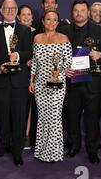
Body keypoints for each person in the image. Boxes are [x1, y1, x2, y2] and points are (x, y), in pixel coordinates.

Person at [59, 0, 101, 164]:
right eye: (76, 11)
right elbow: (55, 55)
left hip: (93, 83)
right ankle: (74, 146)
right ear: (72, 13)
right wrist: (63, 68)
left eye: (82, 10)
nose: (79, 13)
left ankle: (92, 150)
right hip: (71, 82)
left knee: (92, 119)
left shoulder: (100, 31)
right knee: (72, 118)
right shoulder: (63, 31)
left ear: (88, 12)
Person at [0, 0, 33, 166]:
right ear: (1, 10)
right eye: (6, 8)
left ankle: (17, 150)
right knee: (3, 115)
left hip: (20, 82)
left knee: (20, 117)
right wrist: (0, 67)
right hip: (1, 81)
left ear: (16, 11)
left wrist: (18, 56)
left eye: (13, 8)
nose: (9, 10)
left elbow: (29, 52)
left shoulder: (25, 30)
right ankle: (4, 145)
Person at [29, 10, 72, 163]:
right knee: (43, 117)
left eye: (54, 20)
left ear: (58, 22)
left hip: (57, 84)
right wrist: (31, 81)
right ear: (43, 21)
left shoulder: (63, 38)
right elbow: (34, 62)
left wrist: (59, 70)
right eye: (48, 19)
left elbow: (68, 61)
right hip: (40, 84)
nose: (51, 22)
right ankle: (41, 151)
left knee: (54, 117)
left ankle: (54, 153)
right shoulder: (37, 38)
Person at [17, 4, 38, 150]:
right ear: (18, 17)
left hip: (38, 75)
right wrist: (25, 61)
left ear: (32, 17)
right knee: (22, 107)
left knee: (34, 108)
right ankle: (22, 135)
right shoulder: (15, 33)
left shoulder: (39, 34)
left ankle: (32, 136)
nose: (26, 17)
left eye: (28, 14)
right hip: (20, 74)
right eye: (23, 14)